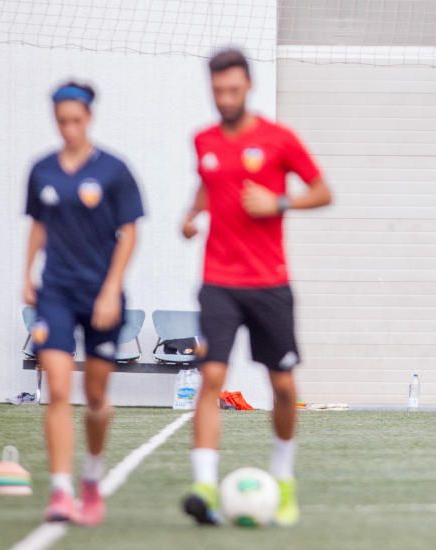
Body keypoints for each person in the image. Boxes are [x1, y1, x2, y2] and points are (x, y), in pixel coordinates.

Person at [180, 49, 333, 526]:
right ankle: (204, 488)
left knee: (283, 386)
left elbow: (323, 191)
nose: (225, 98)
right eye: (218, 90)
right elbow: (208, 181)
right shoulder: (202, 139)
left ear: (248, 87)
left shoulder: (278, 139)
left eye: (233, 89)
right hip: (218, 282)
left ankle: (284, 482)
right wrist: (192, 213)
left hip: (269, 283)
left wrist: (278, 200)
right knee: (210, 378)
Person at [23, 81, 144, 525]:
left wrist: (112, 289)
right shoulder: (41, 171)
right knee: (57, 387)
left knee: (95, 396)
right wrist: (26, 274)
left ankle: (91, 477)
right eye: (62, 121)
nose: (69, 129)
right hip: (54, 291)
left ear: (89, 118)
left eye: (76, 120)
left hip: (101, 295)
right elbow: (38, 224)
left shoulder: (114, 170)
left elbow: (130, 232)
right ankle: (59, 491)